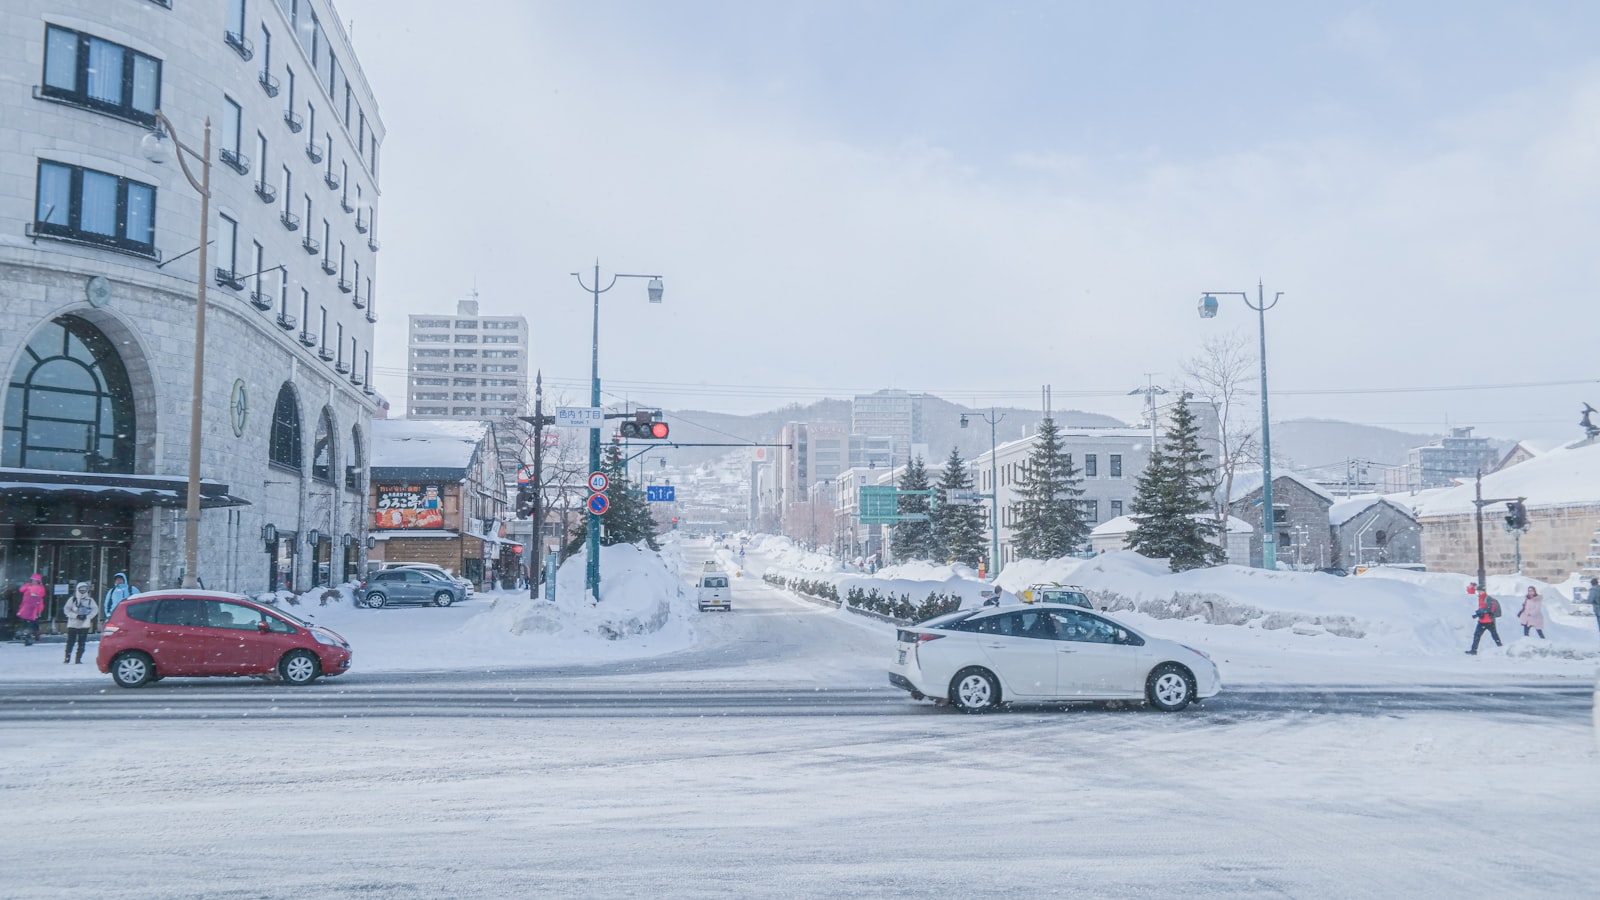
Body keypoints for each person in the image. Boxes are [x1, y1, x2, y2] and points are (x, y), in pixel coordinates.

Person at [62, 581, 97, 664]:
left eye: (85, 589)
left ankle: (78, 659)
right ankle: (67, 657)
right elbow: (66, 610)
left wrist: (87, 617)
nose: (83, 591)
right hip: (72, 624)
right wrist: (75, 616)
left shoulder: (90, 600)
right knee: (70, 642)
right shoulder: (72, 599)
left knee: (82, 643)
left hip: (84, 625)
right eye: (81, 589)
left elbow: (95, 610)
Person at [1466, 590, 1502, 654]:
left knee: (1494, 635)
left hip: (1489, 621)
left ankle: (1501, 648)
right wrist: (1477, 614)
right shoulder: (1480, 598)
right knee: (1477, 635)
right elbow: (1483, 609)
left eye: (1480, 591)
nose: (1479, 592)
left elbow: (1489, 609)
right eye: (1478, 591)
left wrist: (1480, 612)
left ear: (1483, 591)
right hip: (1482, 620)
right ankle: (1473, 650)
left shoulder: (1488, 598)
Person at [17, 574, 46, 647]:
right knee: (27, 621)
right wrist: (28, 586)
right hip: (26, 606)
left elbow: (40, 596)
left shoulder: (40, 588)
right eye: (32, 580)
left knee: (32, 621)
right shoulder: (29, 586)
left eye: (35, 581)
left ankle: (32, 635)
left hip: (33, 608)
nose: (34, 582)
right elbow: (21, 590)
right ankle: (28, 634)